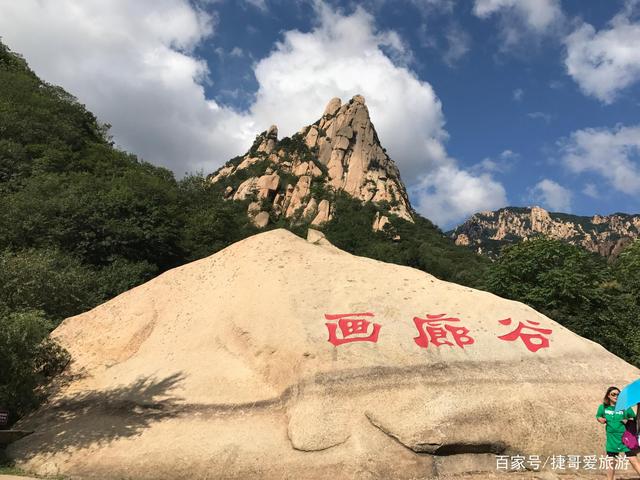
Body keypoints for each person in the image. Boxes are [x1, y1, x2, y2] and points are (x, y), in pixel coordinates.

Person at [596, 386, 640, 479]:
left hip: (627, 436)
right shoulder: (603, 407)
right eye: (613, 394)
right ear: (608, 395)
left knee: (633, 459)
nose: (616, 396)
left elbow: (634, 418)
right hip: (612, 438)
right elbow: (598, 416)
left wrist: (627, 420)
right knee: (611, 461)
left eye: (618, 394)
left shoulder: (625, 407)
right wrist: (600, 419)